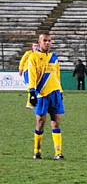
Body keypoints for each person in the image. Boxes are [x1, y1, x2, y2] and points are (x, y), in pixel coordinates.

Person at [27, 32, 65, 160]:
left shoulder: (54, 57)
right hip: (41, 94)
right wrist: (31, 92)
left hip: (55, 93)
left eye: (49, 41)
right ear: (39, 42)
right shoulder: (33, 57)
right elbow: (31, 75)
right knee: (40, 122)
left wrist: (61, 91)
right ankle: (37, 151)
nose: (47, 43)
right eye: (45, 40)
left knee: (56, 122)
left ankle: (58, 153)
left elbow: (57, 75)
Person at [18, 43, 40, 109]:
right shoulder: (28, 53)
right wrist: (20, 70)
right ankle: (30, 103)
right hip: (27, 71)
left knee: (36, 87)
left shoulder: (40, 54)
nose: (35, 47)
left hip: (36, 72)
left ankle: (33, 102)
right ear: (32, 47)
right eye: (34, 46)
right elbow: (22, 61)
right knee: (31, 87)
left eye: (37, 46)